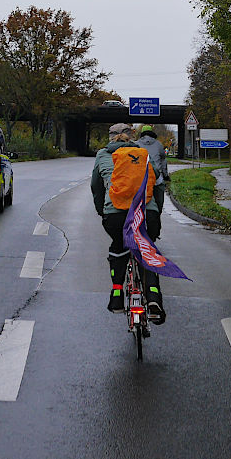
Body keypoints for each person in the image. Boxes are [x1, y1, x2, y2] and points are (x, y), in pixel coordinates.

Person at [91, 122, 166, 324]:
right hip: (145, 212)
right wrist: (156, 210)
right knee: (147, 249)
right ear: (131, 136)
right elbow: (156, 179)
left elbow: (96, 187)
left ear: (111, 137)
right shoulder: (142, 153)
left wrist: (102, 210)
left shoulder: (102, 155)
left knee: (118, 245)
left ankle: (117, 296)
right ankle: (153, 298)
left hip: (115, 214)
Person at [136, 124, 170, 214]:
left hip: (140, 178)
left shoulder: (136, 144)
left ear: (142, 134)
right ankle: (157, 215)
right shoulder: (158, 144)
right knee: (158, 201)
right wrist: (166, 175)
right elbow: (163, 161)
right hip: (156, 178)